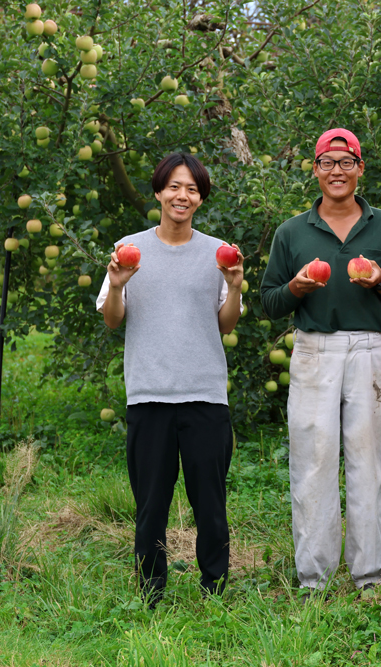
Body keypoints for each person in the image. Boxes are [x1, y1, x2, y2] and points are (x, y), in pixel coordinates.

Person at [260, 128, 381, 595]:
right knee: (313, 462)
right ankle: (314, 577)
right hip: (315, 349)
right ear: (314, 170)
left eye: (346, 162)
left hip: (370, 349)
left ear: (360, 170)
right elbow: (270, 301)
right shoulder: (292, 231)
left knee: (369, 462)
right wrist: (297, 288)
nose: (337, 171)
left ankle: (370, 574)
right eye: (327, 163)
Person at [96, 152, 244, 604]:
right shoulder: (129, 249)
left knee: (211, 505)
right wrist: (119, 285)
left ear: (200, 199)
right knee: (150, 508)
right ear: (159, 192)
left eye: (193, 189)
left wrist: (235, 286)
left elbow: (227, 325)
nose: (183, 196)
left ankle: (214, 589)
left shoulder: (218, 252)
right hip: (149, 397)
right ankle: (150, 592)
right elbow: (111, 321)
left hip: (204, 397)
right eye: (175, 187)